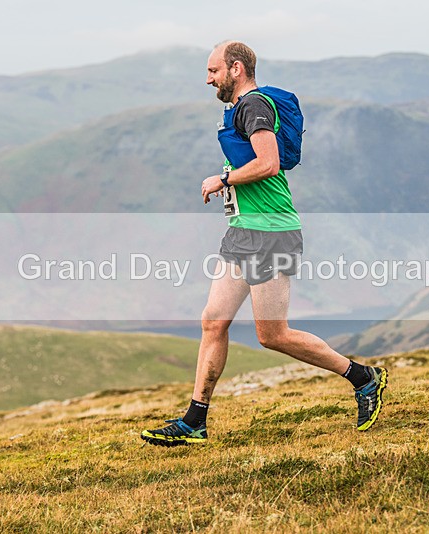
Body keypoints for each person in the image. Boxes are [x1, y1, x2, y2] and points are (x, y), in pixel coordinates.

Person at [141, 41, 388, 446]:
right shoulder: (239, 109)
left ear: (236, 69)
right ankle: (194, 421)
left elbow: (268, 163)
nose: (208, 79)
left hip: (270, 232)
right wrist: (231, 181)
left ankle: (364, 378)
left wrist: (223, 180)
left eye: (214, 70)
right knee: (213, 320)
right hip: (243, 231)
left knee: (272, 334)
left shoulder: (253, 106)